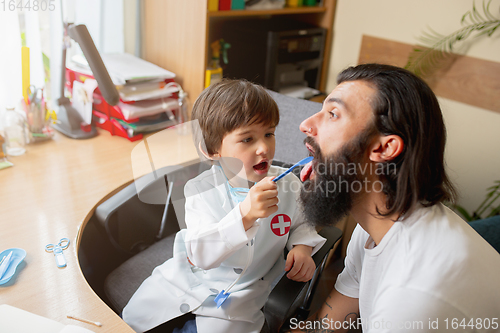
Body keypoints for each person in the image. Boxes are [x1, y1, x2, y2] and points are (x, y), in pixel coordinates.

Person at [291, 64, 500, 332]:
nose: (305, 124)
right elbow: (327, 325)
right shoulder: (378, 223)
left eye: (333, 114)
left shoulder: (411, 297)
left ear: (384, 147)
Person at [122, 79, 326, 333]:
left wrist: (303, 248)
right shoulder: (199, 189)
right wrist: (246, 215)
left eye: (269, 134)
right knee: (132, 320)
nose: (263, 148)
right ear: (212, 149)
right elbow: (200, 255)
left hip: (240, 298)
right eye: (247, 139)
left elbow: (302, 222)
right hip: (186, 281)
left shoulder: (290, 185)